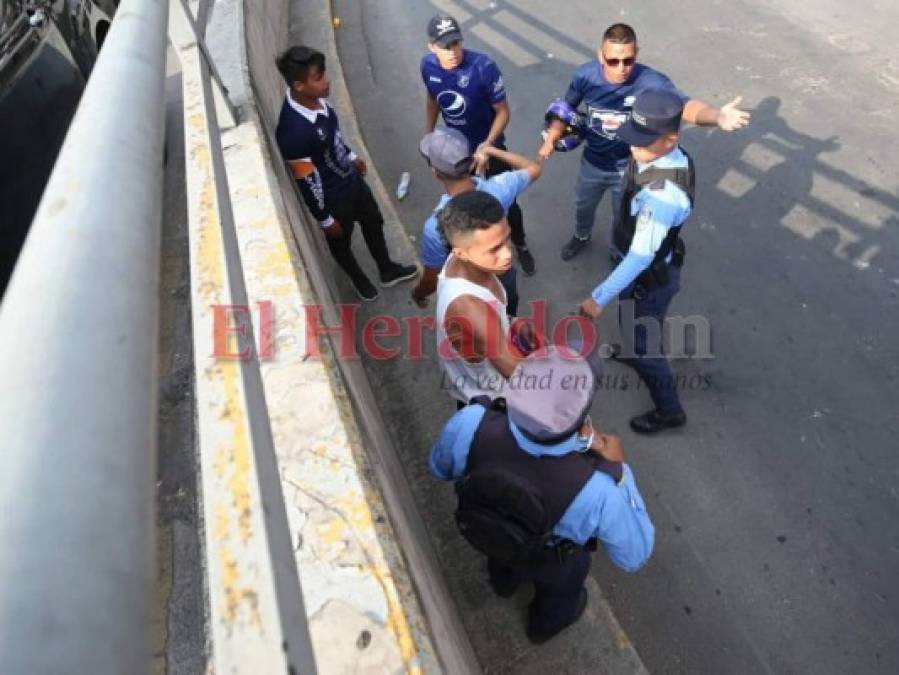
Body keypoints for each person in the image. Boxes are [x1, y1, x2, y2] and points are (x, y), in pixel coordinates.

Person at [429, 347, 654, 643]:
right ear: (583, 415)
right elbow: (633, 556)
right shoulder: (599, 492)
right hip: (552, 559)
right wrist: (621, 473)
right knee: (561, 595)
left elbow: (439, 468)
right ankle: (542, 628)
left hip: (491, 529)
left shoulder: (472, 421)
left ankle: (503, 582)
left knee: (501, 555)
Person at [538, 23, 750, 261]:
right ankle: (581, 236)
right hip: (593, 164)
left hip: (629, 168)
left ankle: (617, 250)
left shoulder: (652, 82)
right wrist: (553, 138)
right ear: (601, 55)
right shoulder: (585, 76)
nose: (621, 69)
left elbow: (684, 107)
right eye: (613, 61)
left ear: (637, 53)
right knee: (583, 207)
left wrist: (717, 116)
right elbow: (565, 110)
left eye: (628, 60)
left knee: (623, 216)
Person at [579, 90, 695, 434]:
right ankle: (633, 349)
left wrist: (597, 298)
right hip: (643, 267)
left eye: (641, 142)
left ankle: (669, 410)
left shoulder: (662, 197)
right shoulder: (664, 157)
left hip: (651, 275)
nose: (632, 148)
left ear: (671, 139)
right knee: (631, 319)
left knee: (648, 346)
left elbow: (640, 257)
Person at [275, 46, 418, 301]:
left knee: (373, 221)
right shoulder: (291, 133)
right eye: (318, 77)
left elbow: (334, 137)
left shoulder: (317, 101)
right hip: (334, 200)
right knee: (341, 244)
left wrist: (351, 157)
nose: (327, 80)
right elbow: (307, 182)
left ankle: (386, 269)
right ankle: (358, 279)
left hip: (353, 181)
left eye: (324, 73)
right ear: (299, 85)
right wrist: (325, 219)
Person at [422, 14, 537, 275]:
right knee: (464, 208)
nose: (452, 52)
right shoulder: (427, 67)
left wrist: (487, 145)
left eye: (456, 44)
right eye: (444, 46)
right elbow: (432, 100)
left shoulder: (483, 67)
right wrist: (428, 136)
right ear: (431, 47)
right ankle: (476, 252)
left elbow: (503, 111)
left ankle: (519, 242)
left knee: (508, 203)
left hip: (488, 148)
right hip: (456, 155)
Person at [412, 127, 542, 316]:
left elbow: (432, 277)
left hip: (471, 292)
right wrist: (491, 150)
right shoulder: (500, 187)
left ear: (436, 173)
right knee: (508, 312)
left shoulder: (436, 226)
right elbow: (534, 168)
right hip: (503, 277)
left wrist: (418, 293)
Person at [434, 191, 536, 406]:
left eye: (506, 240)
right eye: (495, 249)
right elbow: (518, 375)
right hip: (492, 399)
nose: (507, 254)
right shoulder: (469, 308)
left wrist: (512, 322)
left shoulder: (466, 258)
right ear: (461, 253)